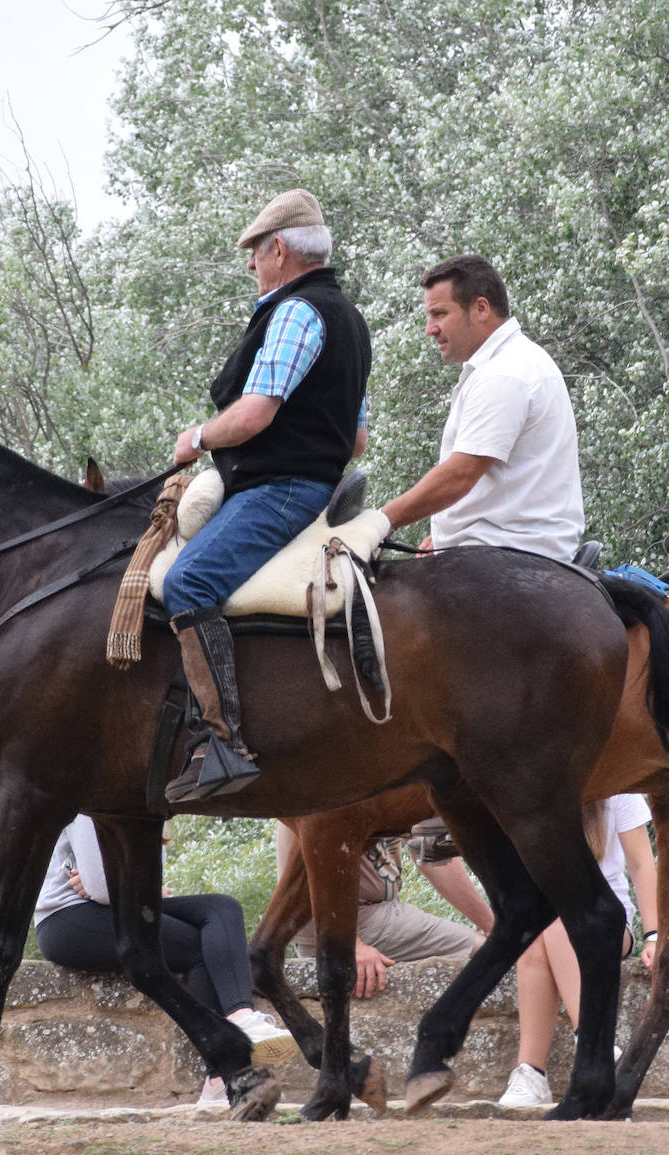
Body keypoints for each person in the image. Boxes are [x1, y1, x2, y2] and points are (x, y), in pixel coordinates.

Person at [163, 188, 372, 803]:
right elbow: (356, 440)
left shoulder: (294, 312)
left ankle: (222, 743)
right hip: (316, 482)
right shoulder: (349, 319)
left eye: (254, 252)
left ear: (278, 249)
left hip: (280, 490)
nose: (251, 265)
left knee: (187, 583)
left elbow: (253, 414)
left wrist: (196, 438)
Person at [35, 815, 299, 1107]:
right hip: (69, 919)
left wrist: (120, 884)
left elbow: (143, 876)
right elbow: (101, 888)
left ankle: (241, 1019)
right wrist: (115, 884)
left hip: (121, 906)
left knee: (223, 908)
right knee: (197, 947)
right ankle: (224, 1076)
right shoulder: (89, 787)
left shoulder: (148, 797)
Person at [379, 253, 583, 560]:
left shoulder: (505, 372)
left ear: (481, 308)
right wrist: (447, 535)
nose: (429, 329)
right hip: (506, 551)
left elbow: (460, 475)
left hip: (510, 558)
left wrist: (380, 522)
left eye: (439, 314)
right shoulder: (513, 360)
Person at [498, 794, 658, 1108]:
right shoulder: (531, 783)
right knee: (535, 933)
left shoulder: (620, 788)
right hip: (548, 920)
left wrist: (654, 935)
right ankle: (530, 1073)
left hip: (608, 918)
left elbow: (642, 864)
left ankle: (592, 1043)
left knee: (558, 917)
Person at [275, 821, 494, 997]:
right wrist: (349, 943)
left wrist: (495, 926)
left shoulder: (402, 778)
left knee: (497, 948)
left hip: (368, 916)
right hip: (346, 920)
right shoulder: (330, 773)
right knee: (490, 954)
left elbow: (430, 851)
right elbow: (320, 844)